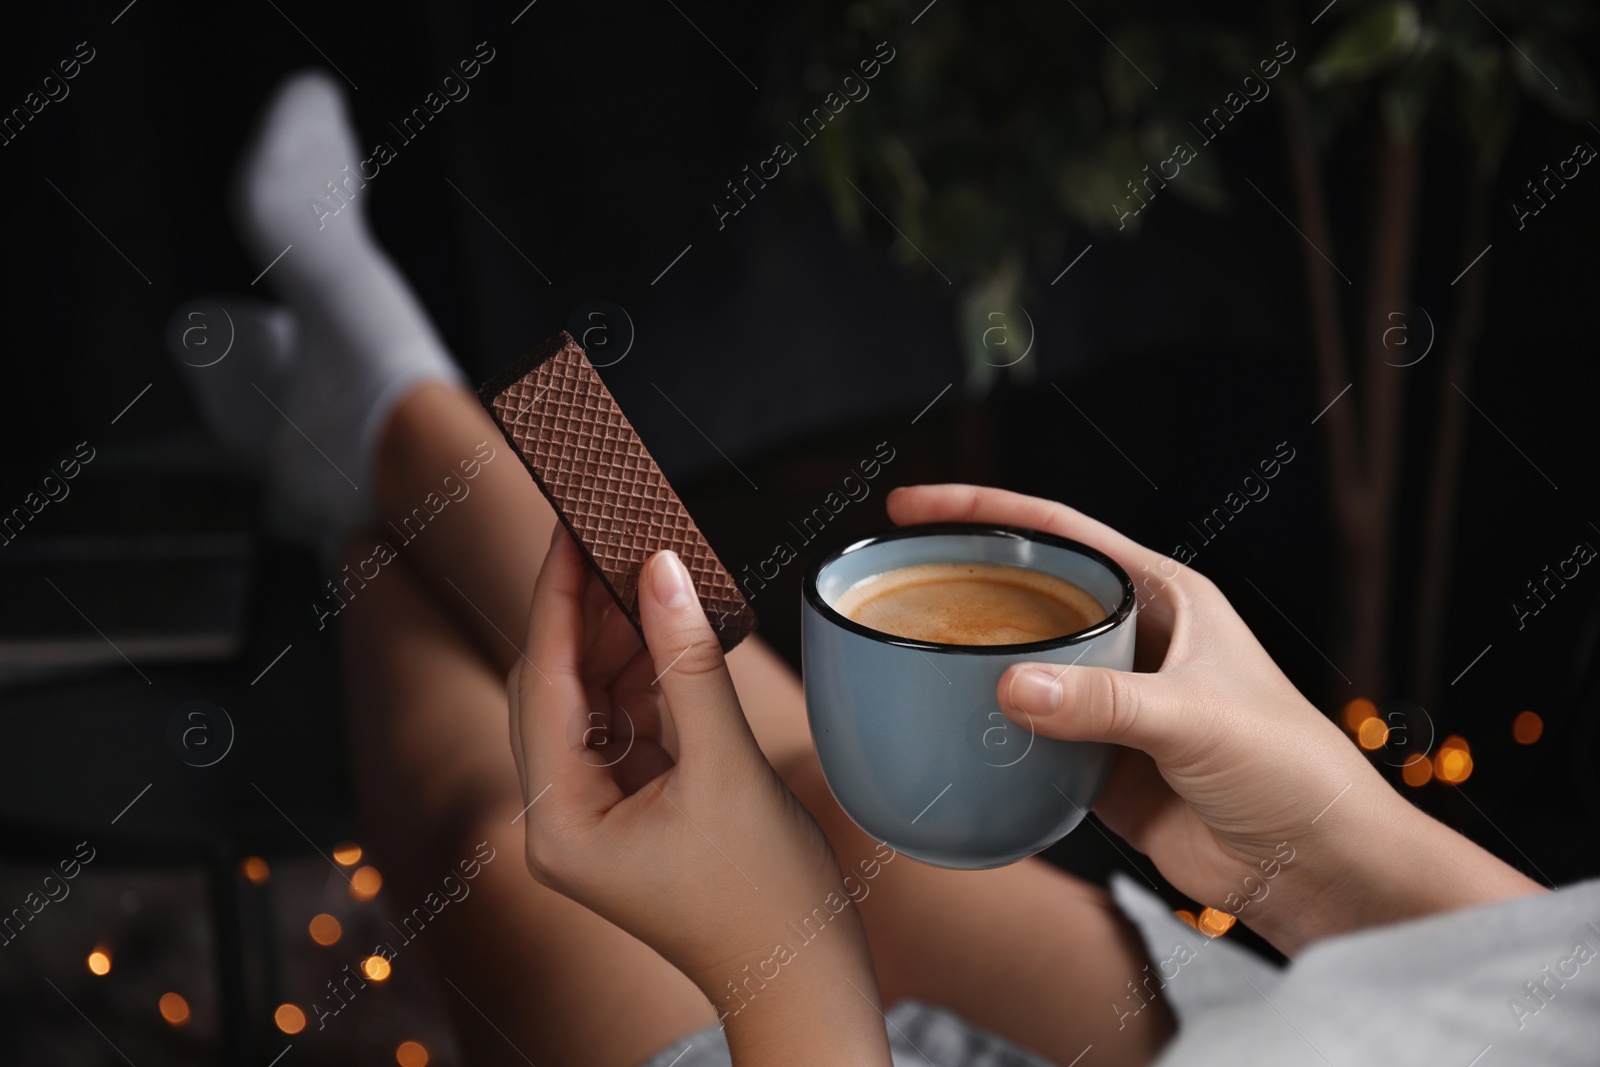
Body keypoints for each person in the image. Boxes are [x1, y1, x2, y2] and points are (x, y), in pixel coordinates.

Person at [172, 71, 1598, 1067]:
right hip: (1251, 1035)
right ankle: (362, 415)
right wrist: (1333, 844)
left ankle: (362, 421)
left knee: (506, 839)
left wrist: (774, 966)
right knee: (771, 732)